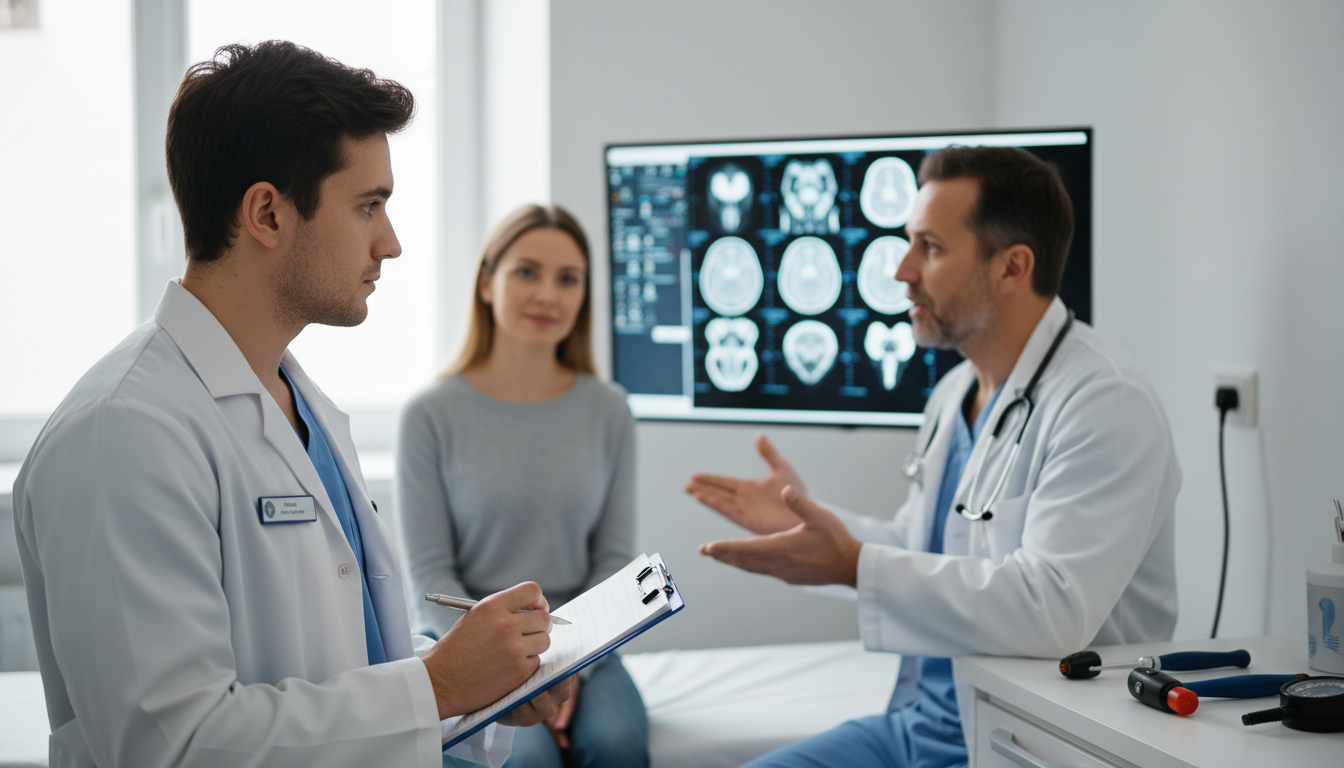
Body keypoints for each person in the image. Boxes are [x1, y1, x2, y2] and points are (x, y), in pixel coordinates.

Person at [11, 41, 570, 768]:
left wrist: (478, 688)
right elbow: (172, 744)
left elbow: (343, 663)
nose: (391, 243)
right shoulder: (122, 433)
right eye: (368, 206)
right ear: (268, 214)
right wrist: (435, 686)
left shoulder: (299, 404)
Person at [685, 146, 1180, 768]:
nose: (901, 270)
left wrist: (852, 564)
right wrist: (809, 525)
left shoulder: (1105, 401)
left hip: (1025, 742)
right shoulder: (954, 394)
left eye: (931, 247)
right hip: (921, 725)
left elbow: (1054, 609)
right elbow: (925, 549)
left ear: (1012, 267)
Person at [398, 204, 648, 768]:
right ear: (487, 283)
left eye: (568, 279)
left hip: (585, 642)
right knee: (524, 758)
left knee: (617, 743)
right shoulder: (430, 415)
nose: (548, 295)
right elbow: (430, 577)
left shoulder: (609, 410)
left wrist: (568, 663)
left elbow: (613, 562)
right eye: (527, 272)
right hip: (473, 648)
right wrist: (508, 665)